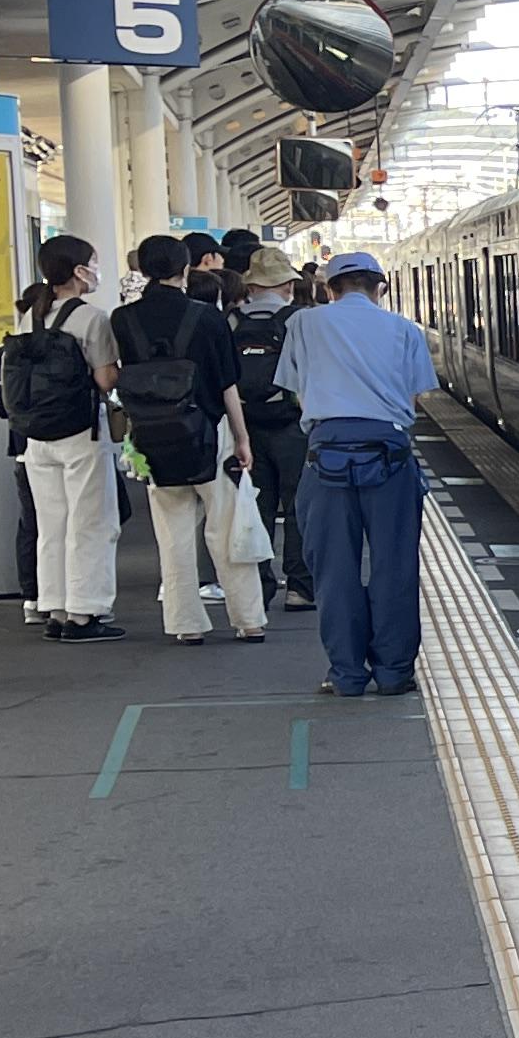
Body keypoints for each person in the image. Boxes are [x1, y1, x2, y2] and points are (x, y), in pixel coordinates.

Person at [274, 248, 440, 697]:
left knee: (333, 569)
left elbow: (296, 390)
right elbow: (415, 397)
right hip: (389, 453)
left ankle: (346, 674)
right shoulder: (405, 330)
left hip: (325, 454)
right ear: (379, 287)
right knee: (394, 565)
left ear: (330, 289)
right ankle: (394, 673)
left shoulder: (303, 324)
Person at [109, 234, 266, 647]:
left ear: (144, 270)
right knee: (227, 527)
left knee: (172, 534)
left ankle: (185, 623)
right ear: (185, 269)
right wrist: (243, 438)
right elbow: (227, 384)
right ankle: (248, 619)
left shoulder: (123, 319)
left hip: (151, 436)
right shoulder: (208, 317)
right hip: (209, 432)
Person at [0, 234, 125, 641]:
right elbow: (105, 379)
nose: (98, 269)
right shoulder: (91, 318)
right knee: (90, 522)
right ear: (79, 270)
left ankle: (56, 607)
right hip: (80, 432)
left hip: (36, 436)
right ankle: (85, 613)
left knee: (51, 525)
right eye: (94, 262)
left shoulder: (30, 316)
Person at [226, 246, 320, 615]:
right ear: (288, 285)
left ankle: (258, 590)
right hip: (292, 424)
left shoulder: (231, 321)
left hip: (245, 427)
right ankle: (299, 588)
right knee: (299, 505)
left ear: (250, 286)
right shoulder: (300, 319)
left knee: (255, 507)